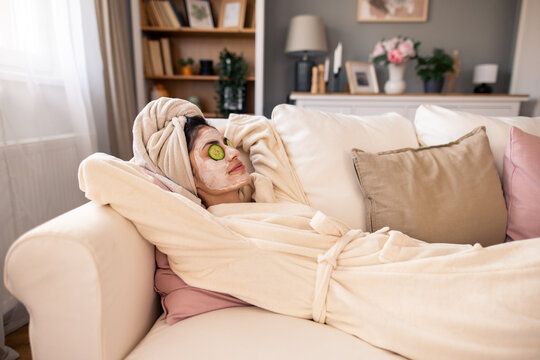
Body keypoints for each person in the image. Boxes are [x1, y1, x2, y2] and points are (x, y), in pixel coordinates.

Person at [79, 98, 540, 360]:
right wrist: (161, 166)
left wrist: (221, 134)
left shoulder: (268, 200)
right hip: (361, 292)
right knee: (511, 299)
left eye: (227, 146)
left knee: (504, 264)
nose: (232, 154)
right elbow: (98, 169)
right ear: (183, 172)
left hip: (384, 253)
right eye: (213, 153)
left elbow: (259, 131)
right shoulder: (204, 238)